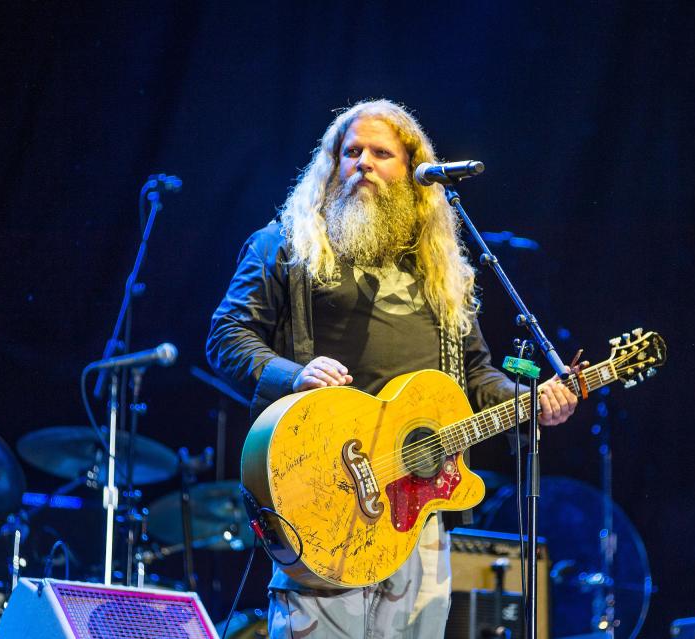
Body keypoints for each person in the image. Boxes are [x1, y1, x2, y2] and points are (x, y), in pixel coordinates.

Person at [206, 99, 577, 638]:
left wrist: (533, 399)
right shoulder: (284, 245)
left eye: (381, 153)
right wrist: (293, 375)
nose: (363, 162)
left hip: (420, 504)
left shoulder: (445, 271)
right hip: (324, 492)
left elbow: (477, 375)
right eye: (351, 151)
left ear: (412, 172)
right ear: (330, 165)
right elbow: (226, 336)